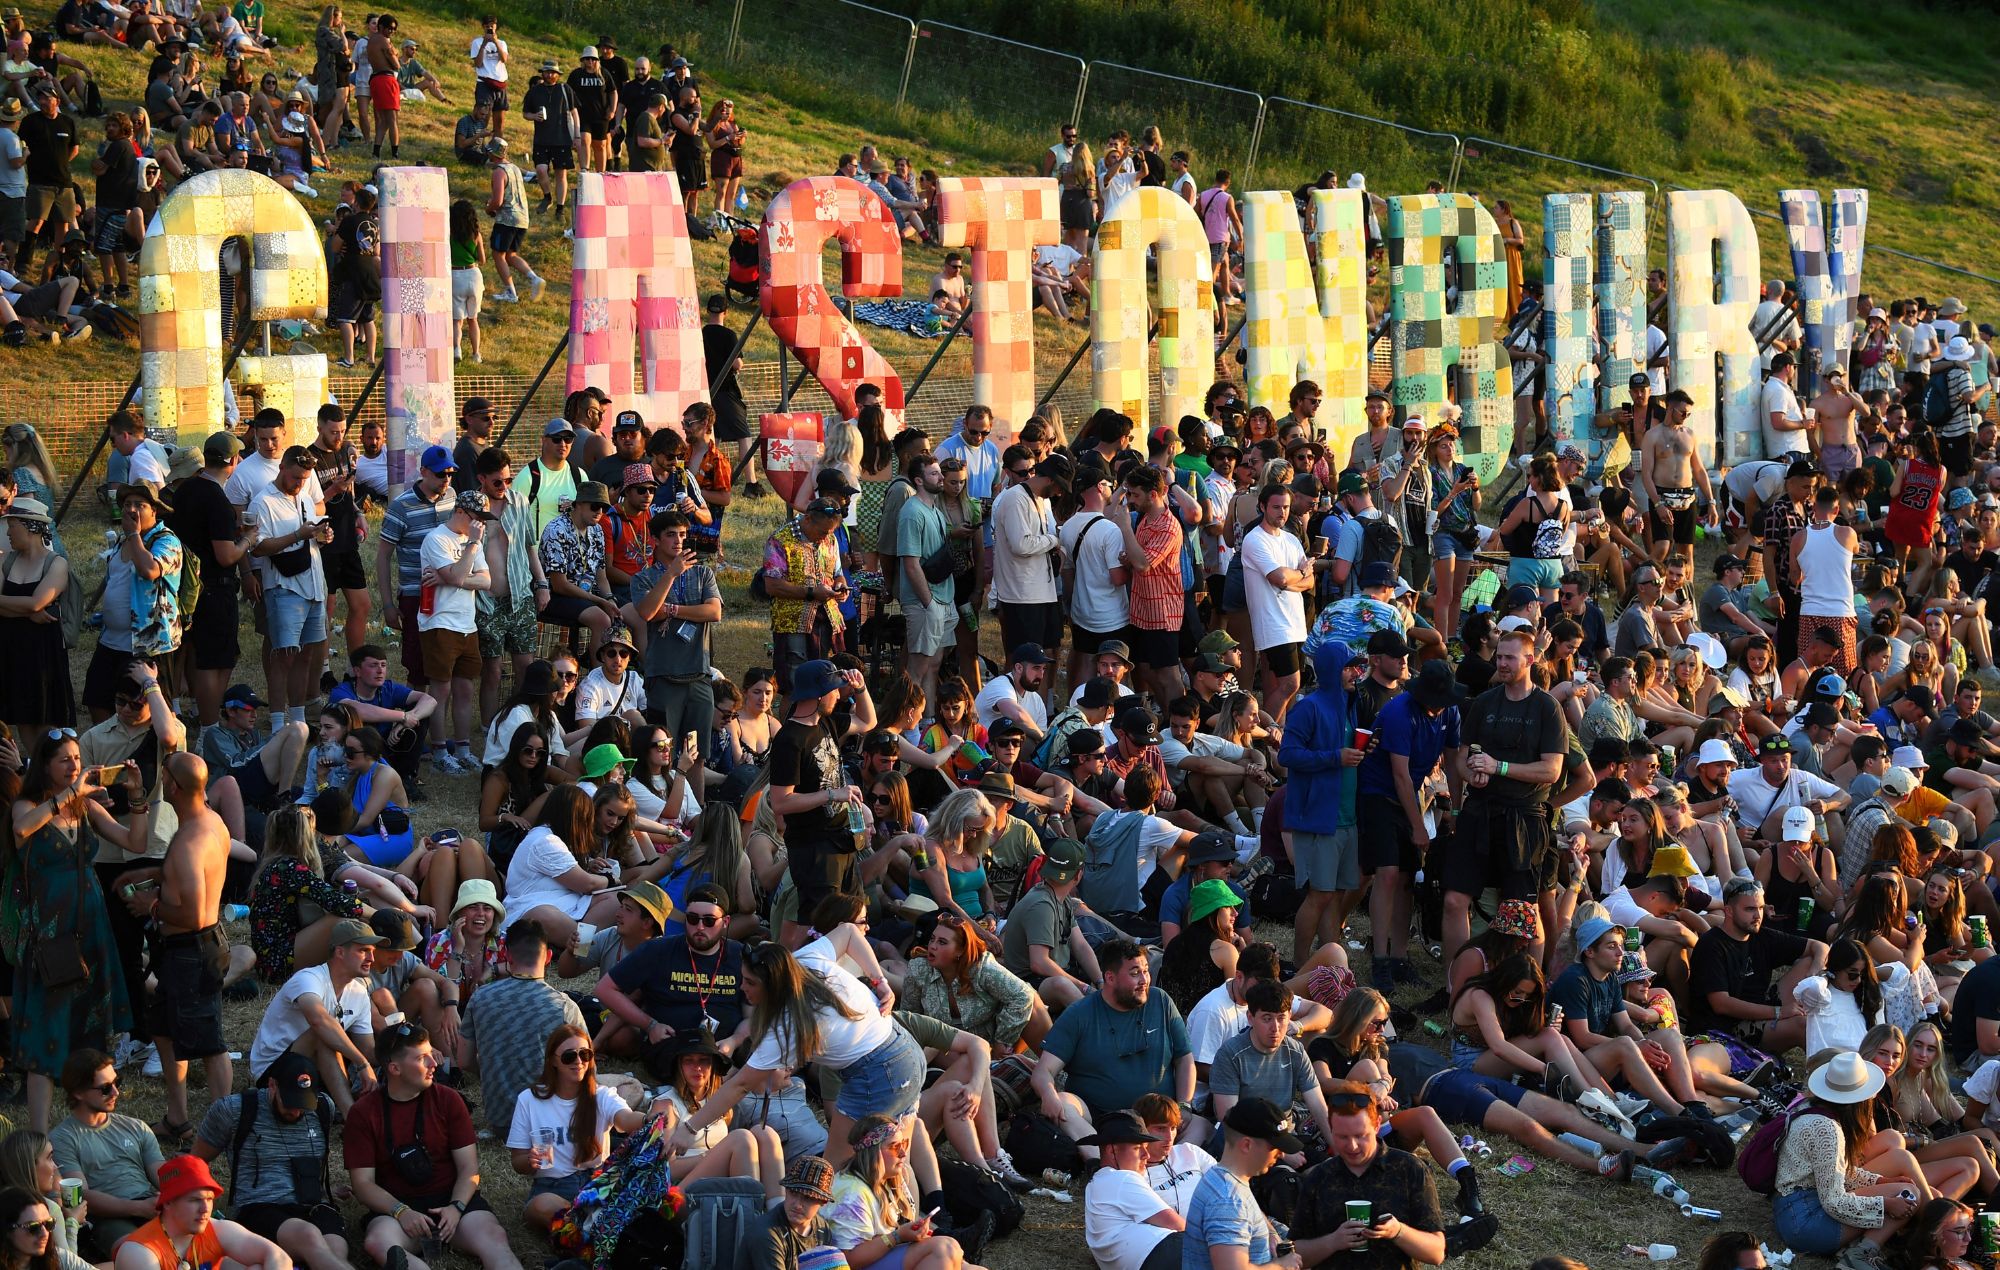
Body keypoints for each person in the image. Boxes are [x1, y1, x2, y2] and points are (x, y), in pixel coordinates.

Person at [665, 927, 920, 1166]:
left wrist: (689, 1129)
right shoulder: (803, 961)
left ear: (773, 984)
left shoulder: (787, 1027)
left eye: (751, 982)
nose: (742, 988)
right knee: (895, 1164)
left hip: (878, 1075)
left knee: (832, 1174)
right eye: (743, 978)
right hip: (906, 1051)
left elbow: (740, 1085)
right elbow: (849, 932)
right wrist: (879, 981)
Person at [11, 732, 147, 1135]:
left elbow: (134, 841)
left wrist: (137, 798)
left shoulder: (86, 807)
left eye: (76, 758)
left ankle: (90, 1122)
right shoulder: (29, 804)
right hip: (49, 933)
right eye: (63, 760)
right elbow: (22, 830)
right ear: (45, 766)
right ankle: (38, 1133)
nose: (73, 766)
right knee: (46, 1024)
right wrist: (65, 796)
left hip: (90, 926)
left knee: (90, 1023)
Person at [345, 1021, 522, 1270]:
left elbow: (469, 1169)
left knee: (494, 1239)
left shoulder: (448, 1100)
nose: (434, 1064)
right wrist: (400, 1211)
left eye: (431, 1054)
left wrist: (456, 1207)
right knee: (378, 1242)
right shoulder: (364, 1113)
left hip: (451, 1199)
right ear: (394, 1068)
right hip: (397, 1206)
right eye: (421, 1058)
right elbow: (362, 1184)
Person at [191, 1053, 348, 1270]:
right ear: (272, 1085)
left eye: (304, 1104)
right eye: (290, 1102)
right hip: (259, 1207)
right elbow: (194, 1162)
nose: (296, 1111)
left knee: (335, 1250)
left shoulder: (323, 1108)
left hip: (311, 1203)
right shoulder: (234, 1110)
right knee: (309, 1236)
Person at [767, 659, 877, 939]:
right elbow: (781, 802)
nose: (839, 695)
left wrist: (861, 689)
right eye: (834, 690)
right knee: (819, 922)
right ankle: (804, 975)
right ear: (817, 695)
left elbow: (867, 721)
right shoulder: (789, 740)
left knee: (853, 915)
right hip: (813, 847)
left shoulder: (827, 722)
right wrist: (831, 794)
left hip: (842, 839)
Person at [1772, 1050, 1919, 1256]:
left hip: (1792, 1212)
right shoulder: (1827, 1129)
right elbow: (1834, 1202)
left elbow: (1836, 1172)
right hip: (1805, 1224)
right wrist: (1886, 1205)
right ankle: (1861, 1254)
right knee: (1910, 1195)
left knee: (1903, 1190)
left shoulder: (1812, 1111)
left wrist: (1880, 1181)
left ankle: (1859, 1248)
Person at [506, 1025, 651, 1231]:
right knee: (541, 1206)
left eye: (585, 1054)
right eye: (569, 1056)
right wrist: (530, 1160)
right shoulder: (530, 1100)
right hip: (553, 1187)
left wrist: (649, 1119)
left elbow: (625, 1119)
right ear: (553, 1060)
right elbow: (517, 1162)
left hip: (597, 1183)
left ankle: (585, 1226)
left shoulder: (601, 1095)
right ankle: (594, 1224)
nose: (579, 1062)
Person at [1290, 1082, 1448, 1270]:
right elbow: (1296, 1255)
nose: (1352, 1146)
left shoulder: (1409, 1169)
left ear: (1376, 1125)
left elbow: (1436, 1253)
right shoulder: (1319, 1177)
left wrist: (1398, 1232)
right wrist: (1333, 1241)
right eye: (1342, 1137)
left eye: (1360, 1135)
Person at [459, 919, 586, 1138]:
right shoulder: (564, 1006)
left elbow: (464, 1060)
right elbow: (586, 1067)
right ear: (547, 958)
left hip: (502, 1124)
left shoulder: (480, 998)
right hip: (550, 1121)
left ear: (507, 956)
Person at [246, 918, 381, 1117]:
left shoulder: (359, 992)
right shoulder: (308, 978)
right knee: (323, 1034)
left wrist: (402, 1051)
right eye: (363, 951)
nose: (372, 958)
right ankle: (352, 1117)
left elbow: (368, 1049)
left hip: (313, 1068)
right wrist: (361, 1063)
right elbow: (319, 1021)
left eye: (372, 951)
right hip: (272, 1071)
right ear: (340, 952)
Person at [1686, 876, 1829, 1053]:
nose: (1758, 915)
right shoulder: (1712, 945)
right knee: (1801, 1025)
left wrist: (1814, 973)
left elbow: (1819, 947)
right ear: (1729, 911)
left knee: (1809, 962)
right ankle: (1827, 1076)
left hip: (1760, 1010)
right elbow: (1721, 1004)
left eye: (1761, 908)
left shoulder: (1761, 935)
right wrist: (1778, 1012)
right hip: (1726, 1029)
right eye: (1750, 909)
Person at [48, 1051, 160, 1255]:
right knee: (141, 1256)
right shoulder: (62, 1138)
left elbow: (161, 1173)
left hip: (151, 1204)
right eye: (105, 1088)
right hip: (108, 1219)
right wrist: (140, 1208)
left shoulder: (137, 1127)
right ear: (78, 1093)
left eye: (117, 1082)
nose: (116, 1093)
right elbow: (82, 1196)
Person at [109, 1155, 288, 1270]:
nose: (205, 1209)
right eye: (195, 1200)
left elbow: (278, 1256)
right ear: (169, 1202)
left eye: (209, 1199)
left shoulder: (217, 1229)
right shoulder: (139, 1252)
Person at [1181, 1099, 1297, 1270]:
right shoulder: (1227, 1199)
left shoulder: (1222, 1177)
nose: (1280, 1154)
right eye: (1274, 1147)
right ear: (1247, 1144)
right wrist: (1281, 1266)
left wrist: (1270, 1233)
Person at [1084, 1111, 1184, 1270]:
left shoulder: (1097, 1183)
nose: (1146, 1155)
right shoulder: (1121, 1178)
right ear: (1112, 1151)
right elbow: (1177, 1224)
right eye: (1138, 1148)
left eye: (1146, 1147)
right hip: (1161, 1251)